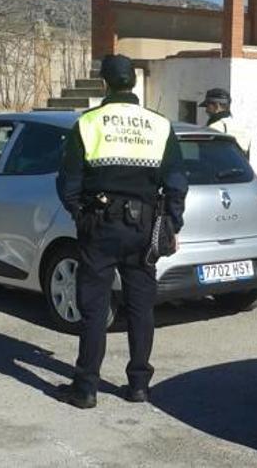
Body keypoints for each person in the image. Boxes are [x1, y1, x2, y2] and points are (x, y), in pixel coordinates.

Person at [56, 54, 188, 409]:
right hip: (143, 227)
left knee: (95, 308)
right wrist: (172, 221)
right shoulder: (158, 125)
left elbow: (68, 181)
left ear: (105, 84)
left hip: (98, 225)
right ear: (133, 82)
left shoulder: (88, 123)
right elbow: (176, 181)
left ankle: (85, 388)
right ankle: (139, 385)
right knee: (142, 307)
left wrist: (79, 215)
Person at [200, 88, 249, 155]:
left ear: (217, 106)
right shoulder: (242, 127)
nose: (206, 110)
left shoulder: (215, 127)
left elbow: (208, 154)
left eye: (208, 106)